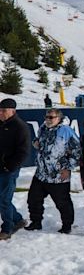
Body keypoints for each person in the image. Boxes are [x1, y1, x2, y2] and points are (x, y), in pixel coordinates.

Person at [25, 108, 82, 234]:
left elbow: (77, 151)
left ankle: (67, 225)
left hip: (58, 175)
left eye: (51, 117)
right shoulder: (43, 128)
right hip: (41, 173)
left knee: (62, 203)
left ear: (59, 118)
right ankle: (36, 222)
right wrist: (36, 143)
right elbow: (38, 140)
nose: (48, 119)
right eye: (47, 117)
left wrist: (68, 168)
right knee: (33, 199)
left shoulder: (66, 131)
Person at [0, 98, 31, 240]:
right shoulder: (1, 124)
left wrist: (10, 166)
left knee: (4, 199)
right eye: (0, 111)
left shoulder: (20, 126)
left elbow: (23, 151)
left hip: (9, 169)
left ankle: (7, 228)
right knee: (2, 199)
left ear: (13, 111)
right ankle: (18, 220)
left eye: (4, 111)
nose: (1, 113)